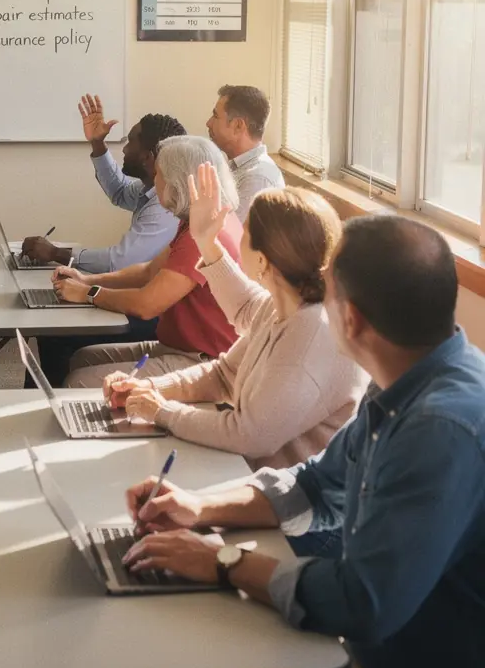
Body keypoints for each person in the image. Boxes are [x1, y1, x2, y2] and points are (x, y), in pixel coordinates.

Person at [121, 215, 485, 668]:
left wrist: (224, 563)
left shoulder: (441, 429)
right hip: (377, 661)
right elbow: (315, 484)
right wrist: (198, 506)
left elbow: (363, 602)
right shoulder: (405, 379)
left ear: (351, 319)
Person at [105, 163, 367, 469]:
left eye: (246, 232)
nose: (237, 234)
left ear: (262, 260)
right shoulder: (283, 306)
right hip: (248, 477)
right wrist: (150, 390)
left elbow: (249, 436)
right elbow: (222, 373)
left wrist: (161, 411)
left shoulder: (310, 335)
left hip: (284, 505)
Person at [57, 136, 244, 389]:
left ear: (178, 182)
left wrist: (89, 293)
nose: (154, 182)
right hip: (179, 348)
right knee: (81, 359)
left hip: (204, 364)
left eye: (158, 175)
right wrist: (87, 279)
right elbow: (148, 271)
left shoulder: (204, 235)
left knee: (78, 382)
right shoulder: (196, 222)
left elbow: (147, 305)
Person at [21, 97, 184, 385]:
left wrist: (62, 257)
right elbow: (120, 191)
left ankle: (48, 413)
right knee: (56, 329)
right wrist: (98, 144)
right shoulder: (152, 190)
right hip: (142, 297)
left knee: (58, 334)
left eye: (131, 141)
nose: (125, 147)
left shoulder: (164, 207)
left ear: (149, 157)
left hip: (155, 317)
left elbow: (122, 261)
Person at [205, 84, 284, 219]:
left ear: (238, 125)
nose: (208, 123)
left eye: (215, 116)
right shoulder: (236, 167)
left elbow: (230, 238)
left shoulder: (257, 179)